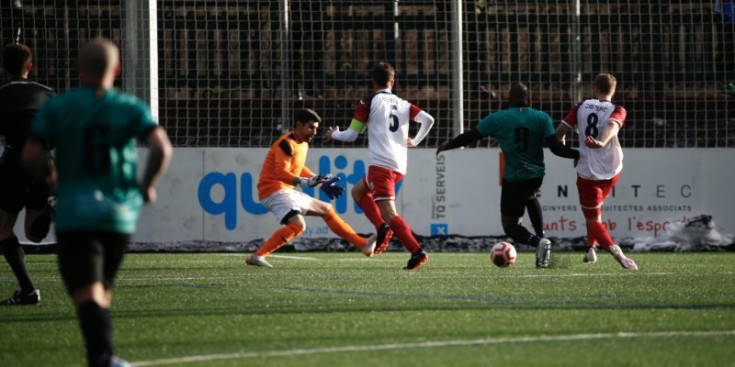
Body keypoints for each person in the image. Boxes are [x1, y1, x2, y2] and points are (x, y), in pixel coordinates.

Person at [23, 37, 173, 367]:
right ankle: (99, 357)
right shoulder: (130, 106)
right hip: (120, 216)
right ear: (116, 70)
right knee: (100, 291)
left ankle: (105, 356)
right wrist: (147, 186)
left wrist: (51, 179)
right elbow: (162, 148)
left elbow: (32, 154)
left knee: (87, 293)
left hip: (77, 215)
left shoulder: (58, 106)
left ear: (78, 69)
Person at [436, 83, 579, 268]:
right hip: (536, 174)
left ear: (509, 99)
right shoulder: (541, 117)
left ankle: (539, 243)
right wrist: (577, 154)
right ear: (529, 99)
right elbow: (556, 148)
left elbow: (471, 136)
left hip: (514, 177)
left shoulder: (498, 118)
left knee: (511, 226)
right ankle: (542, 239)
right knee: (530, 196)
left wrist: (447, 145)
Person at [326, 61, 435, 270]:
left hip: (381, 167)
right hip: (398, 166)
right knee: (358, 192)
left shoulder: (368, 102)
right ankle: (381, 227)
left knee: (390, 214)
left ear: (373, 81)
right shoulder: (403, 104)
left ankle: (417, 251)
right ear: (392, 82)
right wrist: (416, 140)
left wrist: (334, 134)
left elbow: (351, 136)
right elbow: (428, 119)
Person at [246, 108, 377, 268]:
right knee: (298, 225)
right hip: (273, 190)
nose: (315, 132)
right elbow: (280, 172)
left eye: (316, 128)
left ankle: (362, 244)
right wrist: (307, 182)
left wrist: (320, 181)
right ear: (299, 125)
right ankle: (258, 255)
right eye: (311, 127)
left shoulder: (303, 143)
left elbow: (298, 167)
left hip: (283, 190)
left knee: (326, 209)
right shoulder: (286, 144)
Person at [555, 73, 638, 269]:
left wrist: (568, 148)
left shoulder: (581, 106)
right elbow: (612, 125)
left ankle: (617, 253)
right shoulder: (617, 109)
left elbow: (559, 132)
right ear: (613, 90)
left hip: (588, 173)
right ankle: (591, 248)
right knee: (595, 212)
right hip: (612, 171)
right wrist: (602, 142)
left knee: (592, 219)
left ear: (595, 89)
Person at [0, 43, 55, 305]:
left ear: (3, 67)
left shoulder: (2, 94)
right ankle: (51, 207)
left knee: (2, 229)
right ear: (30, 66)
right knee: (35, 234)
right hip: (44, 163)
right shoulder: (48, 94)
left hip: (15, 163)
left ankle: (28, 290)